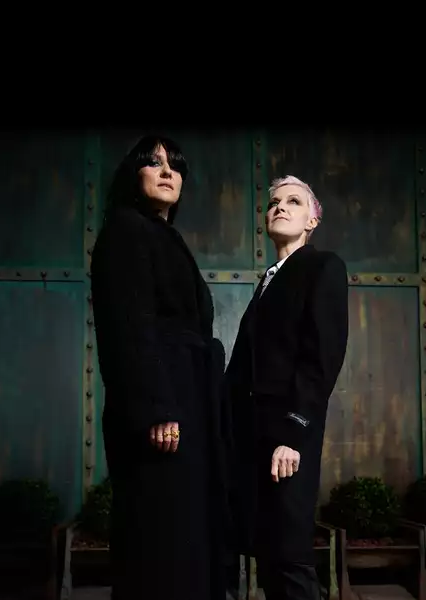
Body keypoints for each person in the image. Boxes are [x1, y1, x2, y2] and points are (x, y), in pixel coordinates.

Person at [89, 134, 231, 600]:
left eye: (175, 165)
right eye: (154, 163)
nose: (168, 171)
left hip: (188, 402)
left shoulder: (163, 236)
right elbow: (127, 325)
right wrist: (156, 408)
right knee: (161, 539)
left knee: (188, 535)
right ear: (133, 175)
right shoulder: (125, 230)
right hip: (161, 409)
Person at [224, 175, 349, 600]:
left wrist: (292, 434)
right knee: (267, 558)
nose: (279, 207)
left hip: (288, 439)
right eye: (274, 202)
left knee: (289, 558)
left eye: (293, 201)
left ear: (312, 220)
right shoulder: (267, 281)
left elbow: (322, 358)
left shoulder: (323, 267)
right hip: (251, 439)